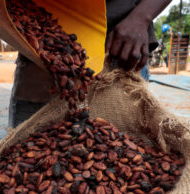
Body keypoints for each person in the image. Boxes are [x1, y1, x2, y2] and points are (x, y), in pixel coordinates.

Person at [9, 0, 171, 128]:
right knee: (27, 142)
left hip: (120, 43)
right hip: (39, 44)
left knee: (119, 143)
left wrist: (140, 17)